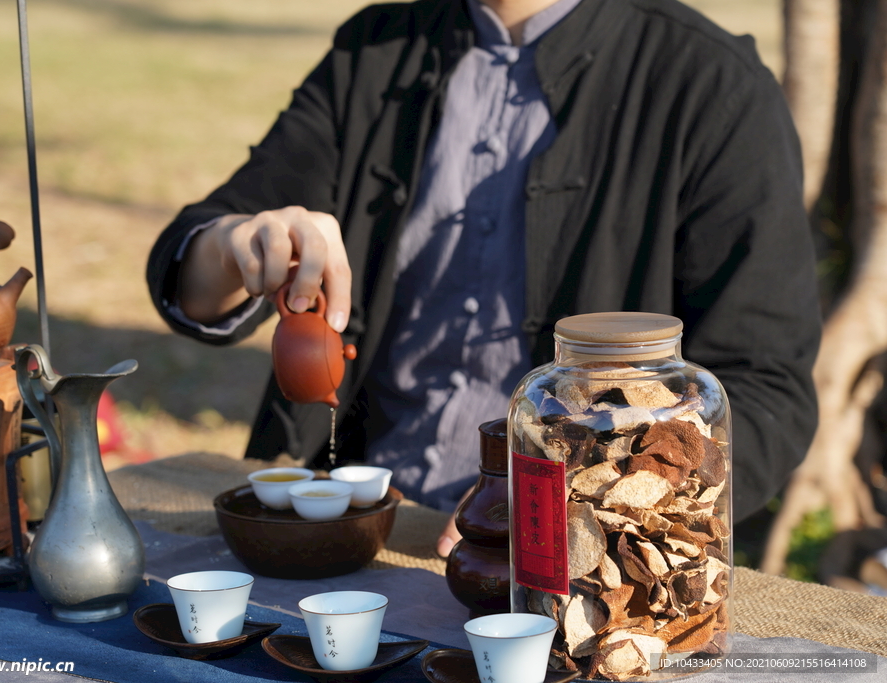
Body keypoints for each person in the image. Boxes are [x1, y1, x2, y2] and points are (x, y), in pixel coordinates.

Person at [147, 0, 822, 556]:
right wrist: (238, 245)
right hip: (342, 530)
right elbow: (191, 273)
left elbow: (765, 390)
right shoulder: (374, 51)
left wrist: (591, 498)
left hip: (582, 567)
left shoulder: (711, 84)